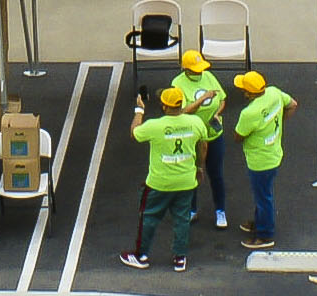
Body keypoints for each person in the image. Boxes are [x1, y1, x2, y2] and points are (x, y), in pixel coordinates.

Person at [120, 84, 209, 272]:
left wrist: (139, 110)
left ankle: (140, 255)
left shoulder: (155, 126)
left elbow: (134, 133)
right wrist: (199, 167)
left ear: (164, 106)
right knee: (182, 219)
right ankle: (180, 257)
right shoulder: (196, 123)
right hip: (186, 181)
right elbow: (203, 146)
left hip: (158, 184)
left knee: (149, 218)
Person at [229, 70, 295, 249]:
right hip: (274, 152)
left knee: (263, 197)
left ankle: (265, 234)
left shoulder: (249, 113)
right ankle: (260, 222)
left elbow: (238, 136)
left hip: (259, 161)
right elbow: (292, 104)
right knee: (263, 193)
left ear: (249, 93)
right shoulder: (274, 92)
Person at [169, 50, 230, 228]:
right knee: (192, 173)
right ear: (186, 70)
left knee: (216, 174)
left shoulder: (209, 76)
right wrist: (202, 99)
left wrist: (217, 113)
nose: (199, 72)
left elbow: (222, 99)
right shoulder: (177, 84)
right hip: (192, 138)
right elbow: (181, 111)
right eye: (195, 70)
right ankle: (191, 209)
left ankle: (220, 211)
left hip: (213, 135)